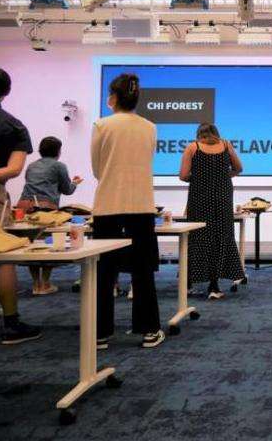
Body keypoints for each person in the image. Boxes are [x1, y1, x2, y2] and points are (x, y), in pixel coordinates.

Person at [92, 73, 164, 349]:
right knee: (142, 271)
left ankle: (100, 334)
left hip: (108, 205)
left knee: (104, 272)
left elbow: (97, 168)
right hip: (141, 205)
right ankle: (149, 330)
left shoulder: (101, 125)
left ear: (113, 97)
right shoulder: (150, 127)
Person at [0, 67, 42, 345]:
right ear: (6, 91)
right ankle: (11, 324)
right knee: (2, 257)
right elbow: (14, 169)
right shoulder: (13, 126)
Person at [179, 123, 244, 299]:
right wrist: (221, 176)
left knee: (197, 237)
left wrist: (201, 178)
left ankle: (188, 284)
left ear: (199, 134)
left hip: (200, 199)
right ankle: (214, 287)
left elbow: (183, 175)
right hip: (222, 198)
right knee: (221, 236)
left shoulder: (193, 147)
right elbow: (239, 168)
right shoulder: (226, 145)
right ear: (216, 133)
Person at [17, 136, 83, 295]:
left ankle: (36, 284)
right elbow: (67, 190)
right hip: (47, 209)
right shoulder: (59, 166)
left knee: (32, 245)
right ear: (58, 151)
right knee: (48, 247)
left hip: (25, 207)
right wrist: (75, 183)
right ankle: (45, 283)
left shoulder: (31, 166)